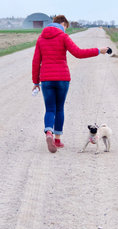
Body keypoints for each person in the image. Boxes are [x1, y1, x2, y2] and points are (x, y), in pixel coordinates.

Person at [32, 15, 109, 153]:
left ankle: (48, 132)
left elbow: (36, 61)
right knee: (59, 108)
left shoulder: (41, 38)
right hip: (62, 78)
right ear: (63, 24)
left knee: (50, 109)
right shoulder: (63, 36)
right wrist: (98, 50)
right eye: (65, 27)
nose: (65, 30)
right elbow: (78, 53)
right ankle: (57, 140)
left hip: (46, 80)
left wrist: (35, 82)